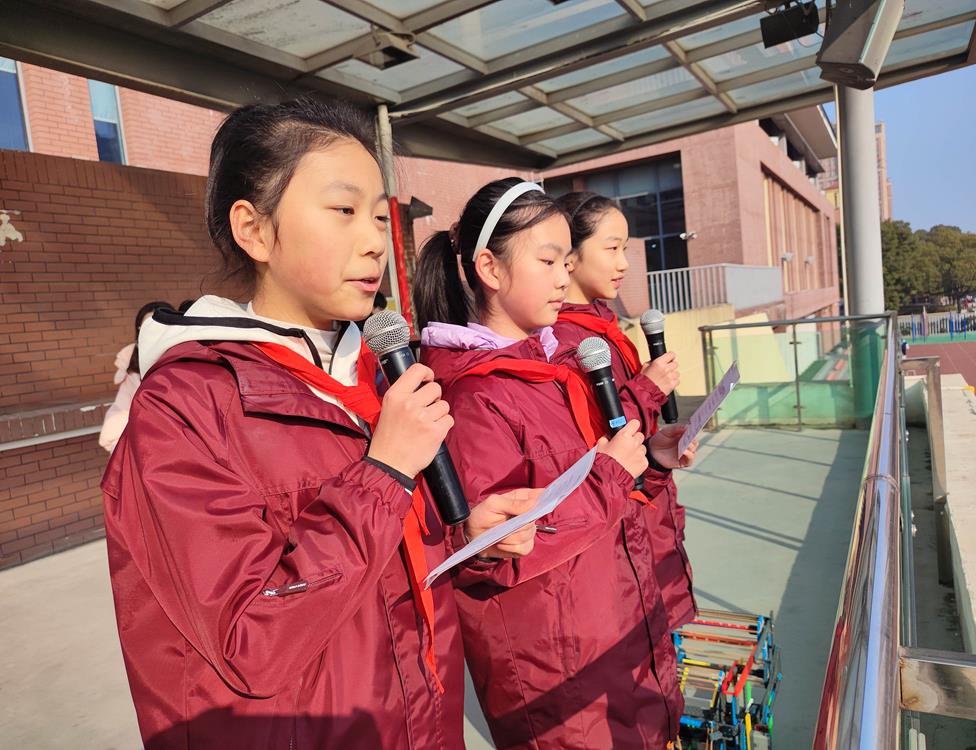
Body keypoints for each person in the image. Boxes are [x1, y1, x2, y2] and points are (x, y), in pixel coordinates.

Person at [102, 98, 533, 750]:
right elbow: (248, 639)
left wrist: (464, 536)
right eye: (343, 210)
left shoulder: (372, 373)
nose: (375, 240)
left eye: (379, 216)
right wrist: (385, 471)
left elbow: (383, 570)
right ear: (254, 230)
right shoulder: (184, 406)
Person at [413, 177, 689, 749]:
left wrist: (651, 464)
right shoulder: (472, 395)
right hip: (557, 670)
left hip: (613, 626)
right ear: (490, 268)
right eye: (547, 261)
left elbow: (602, 498)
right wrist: (611, 474)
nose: (564, 277)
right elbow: (498, 554)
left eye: (566, 261)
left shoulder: (556, 367)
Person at [552, 191, 698, 633]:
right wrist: (647, 389)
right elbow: (596, 442)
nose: (624, 263)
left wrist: (659, 447)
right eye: (612, 248)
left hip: (648, 511)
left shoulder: (603, 326)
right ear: (571, 256)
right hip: (622, 529)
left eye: (626, 249)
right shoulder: (563, 341)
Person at [98, 300, 171, 453]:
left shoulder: (188, 361)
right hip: (146, 451)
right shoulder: (133, 370)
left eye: (157, 327)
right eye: (144, 328)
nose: (151, 333)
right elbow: (119, 414)